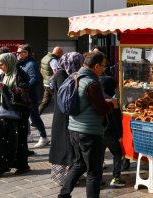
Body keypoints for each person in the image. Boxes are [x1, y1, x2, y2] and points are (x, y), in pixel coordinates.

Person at [58, 51, 117, 198]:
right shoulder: (91, 83)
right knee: (94, 172)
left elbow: (86, 101)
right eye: (103, 66)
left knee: (79, 164)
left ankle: (64, 194)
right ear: (96, 66)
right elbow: (102, 109)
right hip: (89, 132)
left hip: (73, 128)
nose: (104, 68)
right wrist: (112, 105)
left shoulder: (75, 75)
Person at [0, 53, 31, 178]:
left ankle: (16, 166)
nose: (0, 68)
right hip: (4, 111)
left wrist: (4, 88)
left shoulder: (21, 75)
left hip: (17, 113)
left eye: (2, 65)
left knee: (18, 139)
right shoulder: (3, 74)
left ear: (9, 63)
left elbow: (24, 95)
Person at [49, 52, 84, 186]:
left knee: (66, 143)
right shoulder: (63, 75)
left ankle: (72, 174)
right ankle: (65, 177)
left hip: (62, 113)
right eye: (78, 63)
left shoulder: (63, 73)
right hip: (64, 115)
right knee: (65, 144)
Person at [16, 44, 49, 148]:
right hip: (22, 96)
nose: (17, 54)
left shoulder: (31, 64)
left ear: (26, 53)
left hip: (29, 96)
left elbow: (35, 79)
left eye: (19, 52)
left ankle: (44, 137)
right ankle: (28, 136)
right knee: (25, 117)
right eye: (17, 52)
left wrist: (24, 87)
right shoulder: (21, 63)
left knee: (34, 118)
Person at [99, 76, 126, 188]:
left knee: (99, 157)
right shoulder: (112, 101)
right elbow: (116, 120)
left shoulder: (98, 99)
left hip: (98, 132)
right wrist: (120, 135)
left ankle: (98, 180)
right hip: (110, 133)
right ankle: (116, 178)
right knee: (117, 153)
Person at [39, 46, 63, 114]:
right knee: (60, 100)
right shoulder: (53, 60)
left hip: (45, 83)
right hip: (51, 84)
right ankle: (60, 117)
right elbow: (56, 72)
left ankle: (36, 117)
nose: (62, 55)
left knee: (45, 101)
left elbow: (41, 70)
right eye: (61, 53)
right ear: (58, 53)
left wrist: (46, 78)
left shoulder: (45, 57)